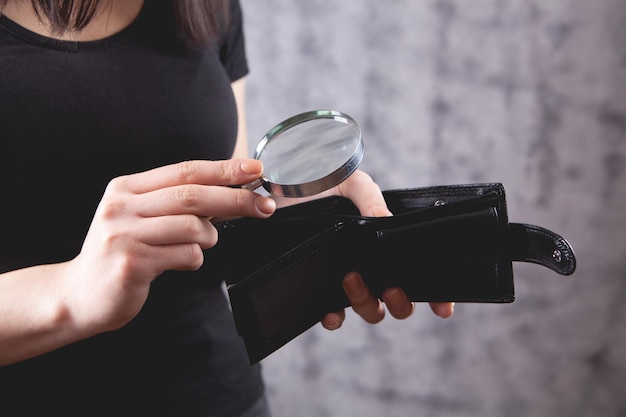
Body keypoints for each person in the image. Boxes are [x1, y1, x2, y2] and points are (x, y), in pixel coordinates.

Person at [0, 0, 454, 415]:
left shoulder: (202, 7)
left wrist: (304, 223)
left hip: (220, 397)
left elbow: (226, 213)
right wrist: (70, 293)